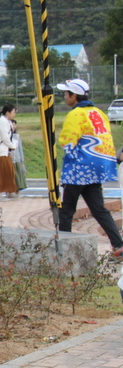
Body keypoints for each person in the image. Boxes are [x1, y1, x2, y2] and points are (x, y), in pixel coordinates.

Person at [56, 79, 123, 257]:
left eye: (66, 94)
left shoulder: (75, 114)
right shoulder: (99, 113)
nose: (64, 97)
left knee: (66, 211)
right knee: (99, 209)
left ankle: (64, 250)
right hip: (96, 170)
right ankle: (119, 245)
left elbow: (67, 141)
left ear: (74, 96)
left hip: (77, 171)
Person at [0, 104, 18, 201]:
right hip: (1, 151)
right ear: (8, 112)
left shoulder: (6, 121)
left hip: (5, 151)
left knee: (9, 172)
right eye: (13, 112)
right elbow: (5, 137)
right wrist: (13, 146)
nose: (14, 114)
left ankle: (10, 191)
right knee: (2, 173)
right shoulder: (3, 122)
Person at [11, 119, 28, 192]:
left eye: (15, 124)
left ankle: (17, 191)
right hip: (10, 159)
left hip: (17, 159)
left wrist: (22, 161)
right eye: (12, 124)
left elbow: (20, 149)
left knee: (19, 176)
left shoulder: (17, 136)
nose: (14, 126)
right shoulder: (6, 136)